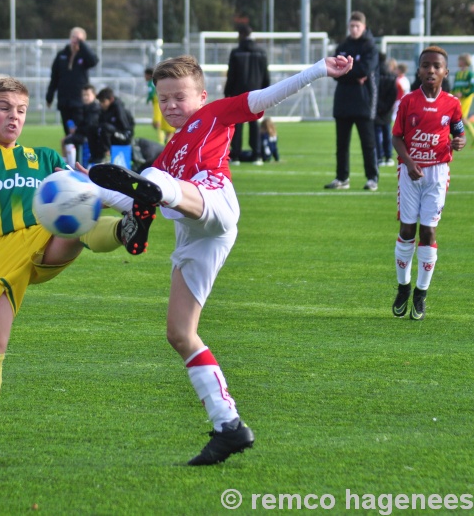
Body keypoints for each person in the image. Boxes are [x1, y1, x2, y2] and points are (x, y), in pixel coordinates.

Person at [88, 54, 354, 466]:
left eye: (179, 97)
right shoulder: (170, 150)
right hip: (193, 236)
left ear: (202, 96)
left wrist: (320, 69)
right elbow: (125, 192)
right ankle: (228, 425)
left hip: (214, 201)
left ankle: (150, 206)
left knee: (154, 183)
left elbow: (267, 97)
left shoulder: (214, 115)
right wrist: (82, 183)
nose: (171, 105)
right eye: (163, 99)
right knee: (179, 333)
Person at [0, 77, 156, 470]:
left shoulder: (44, 158)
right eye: (3, 108)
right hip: (0, 255)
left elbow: (77, 186)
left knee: (76, 220)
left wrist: (90, 181)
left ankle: (127, 229)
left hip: (45, 236)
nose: (13, 117)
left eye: (20, 110)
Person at [390, 46, 466, 321]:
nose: (430, 70)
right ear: (418, 70)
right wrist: (409, 163)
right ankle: (403, 287)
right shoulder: (408, 102)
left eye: (436, 66)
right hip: (410, 174)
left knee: (429, 232)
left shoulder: (452, 104)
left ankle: (421, 293)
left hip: (437, 175)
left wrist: (460, 141)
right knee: (407, 229)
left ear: (446, 72)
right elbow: (396, 137)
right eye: (425, 65)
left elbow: (459, 133)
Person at [324, 11, 380, 191]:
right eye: (351, 26)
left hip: (364, 102)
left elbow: (364, 70)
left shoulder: (370, 47)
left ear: (364, 27)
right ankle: (342, 178)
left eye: (357, 26)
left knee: (368, 143)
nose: (354, 29)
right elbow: (334, 72)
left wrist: (347, 72)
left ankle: (372, 178)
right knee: (341, 144)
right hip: (343, 102)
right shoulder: (343, 46)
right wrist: (351, 74)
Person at [224, 23, 270, 164]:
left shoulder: (236, 52)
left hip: (239, 93)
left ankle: (236, 155)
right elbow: (265, 75)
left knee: (237, 124)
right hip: (257, 93)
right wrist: (266, 91)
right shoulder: (261, 52)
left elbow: (231, 75)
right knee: (254, 123)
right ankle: (257, 155)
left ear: (242, 35)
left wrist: (228, 93)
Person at [46, 27, 99, 135]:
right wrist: (49, 96)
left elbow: (94, 61)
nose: (75, 40)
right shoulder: (62, 55)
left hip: (79, 101)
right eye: (74, 37)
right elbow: (54, 77)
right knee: (68, 132)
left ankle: (80, 151)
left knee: (79, 131)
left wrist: (82, 45)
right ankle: (70, 152)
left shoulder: (84, 56)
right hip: (64, 100)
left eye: (79, 38)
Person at [87, 87, 135, 165]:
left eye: (103, 101)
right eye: (100, 102)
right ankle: (95, 157)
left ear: (111, 99)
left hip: (124, 136)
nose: (101, 104)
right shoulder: (104, 109)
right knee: (92, 129)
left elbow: (125, 128)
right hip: (110, 134)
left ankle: (107, 155)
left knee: (106, 128)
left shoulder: (119, 108)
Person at [61, 84, 101, 166]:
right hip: (83, 133)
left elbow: (89, 125)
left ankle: (71, 165)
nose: (85, 97)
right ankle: (67, 161)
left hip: (90, 135)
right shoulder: (83, 107)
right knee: (64, 140)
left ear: (94, 95)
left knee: (68, 141)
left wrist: (76, 130)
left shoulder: (95, 108)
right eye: (83, 95)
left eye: (87, 95)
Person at [374, 55, 398, 168]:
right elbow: (393, 94)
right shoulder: (391, 76)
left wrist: (377, 106)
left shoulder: (374, 75)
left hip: (376, 109)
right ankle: (388, 156)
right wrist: (387, 107)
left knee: (377, 133)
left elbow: (372, 93)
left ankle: (379, 157)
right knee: (387, 132)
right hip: (387, 110)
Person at [145, 67, 175, 144]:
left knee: (158, 123)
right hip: (160, 103)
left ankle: (162, 141)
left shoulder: (152, 82)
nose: (144, 77)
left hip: (157, 103)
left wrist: (148, 99)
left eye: (145, 75)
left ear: (149, 75)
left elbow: (151, 93)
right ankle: (167, 139)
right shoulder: (160, 82)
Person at [451, 53, 474, 141]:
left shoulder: (470, 74)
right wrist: (452, 93)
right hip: (457, 98)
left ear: (464, 62)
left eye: (460, 60)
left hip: (466, 98)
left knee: (462, 117)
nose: (458, 62)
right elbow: (455, 86)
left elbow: (472, 87)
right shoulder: (458, 73)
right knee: (458, 117)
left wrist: (463, 93)